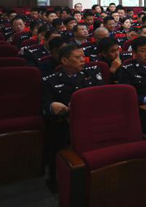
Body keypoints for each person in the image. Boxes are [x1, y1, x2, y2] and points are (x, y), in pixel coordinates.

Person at [41, 44, 105, 184]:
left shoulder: (92, 73)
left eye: (83, 56)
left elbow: (102, 96)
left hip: (92, 118)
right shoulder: (50, 80)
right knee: (56, 133)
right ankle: (58, 179)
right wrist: (52, 107)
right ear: (64, 61)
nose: (83, 60)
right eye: (78, 57)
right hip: (66, 122)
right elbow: (44, 106)